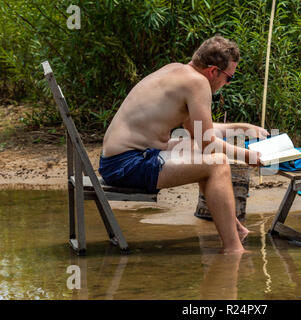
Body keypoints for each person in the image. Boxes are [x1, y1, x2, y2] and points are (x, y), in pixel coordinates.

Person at [99, 36, 268, 254]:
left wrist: (243, 128)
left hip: (118, 159)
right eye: (229, 78)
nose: (227, 84)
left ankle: (237, 229)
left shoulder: (177, 71)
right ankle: (234, 249)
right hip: (126, 165)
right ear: (213, 71)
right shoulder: (198, 84)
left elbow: (198, 133)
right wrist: (247, 156)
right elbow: (208, 142)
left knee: (193, 148)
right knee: (218, 164)